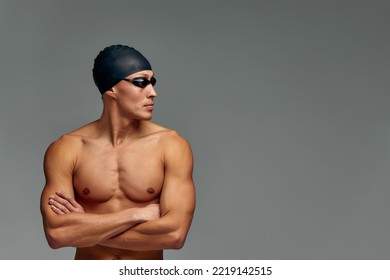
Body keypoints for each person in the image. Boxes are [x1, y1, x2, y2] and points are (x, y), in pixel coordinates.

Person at [40, 44, 196, 260]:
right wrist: (135, 214)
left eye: (153, 82)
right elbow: (57, 233)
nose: (153, 92)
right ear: (111, 88)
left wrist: (85, 229)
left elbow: (174, 234)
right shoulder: (67, 149)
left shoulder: (171, 146)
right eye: (141, 83)